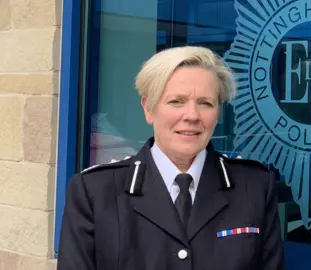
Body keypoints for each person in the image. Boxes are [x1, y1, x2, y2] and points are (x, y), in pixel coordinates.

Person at [57, 46, 285, 270]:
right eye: (176, 101)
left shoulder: (253, 187)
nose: (192, 116)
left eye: (205, 103)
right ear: (148, 108)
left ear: (218, 113)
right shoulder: (95, 192)